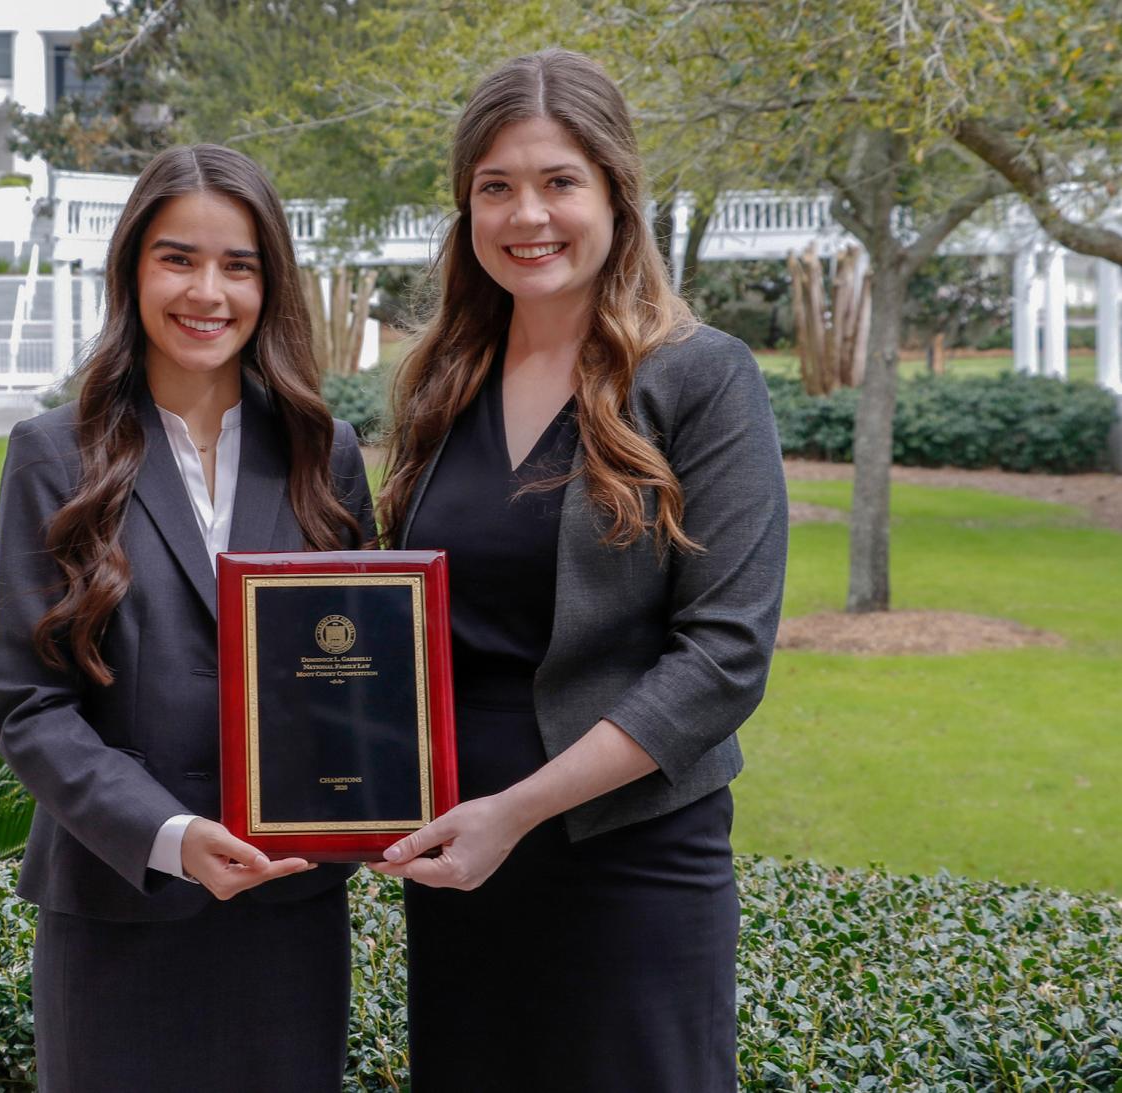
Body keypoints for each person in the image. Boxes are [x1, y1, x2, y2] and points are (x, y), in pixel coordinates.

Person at [371, 50, 789, 1091]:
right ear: (466, 206)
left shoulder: (702, 379)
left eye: (560, 182)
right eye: (496, 187)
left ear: (616, 193)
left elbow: (725, 657)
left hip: (628, 861)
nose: (529, 216)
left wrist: (516, 810)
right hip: (461, 863)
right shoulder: (440, 384)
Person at [0, 144, 375, 1093]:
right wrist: (169, 833)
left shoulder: (326, 454)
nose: (209, 291)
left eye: (238, 265)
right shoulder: (53, 456)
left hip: (288, 917)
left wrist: (375, 791)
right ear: (131, 269)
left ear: (270, 284)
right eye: (179, 258)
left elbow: (361, 674)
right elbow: (30, 706)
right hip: (120, 913)